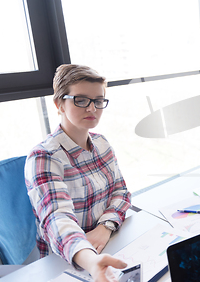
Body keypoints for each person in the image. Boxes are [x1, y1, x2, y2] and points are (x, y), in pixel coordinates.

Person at [25, 64, 131, 282]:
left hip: (109, 242)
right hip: (68, 261)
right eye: (81, 100)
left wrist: (105, 227)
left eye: (98, 101)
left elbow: (121, 192)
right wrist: (91, 260)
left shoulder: (102, 143)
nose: (92, 109)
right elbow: (57, 218)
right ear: (59, 104)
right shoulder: (44, 157)